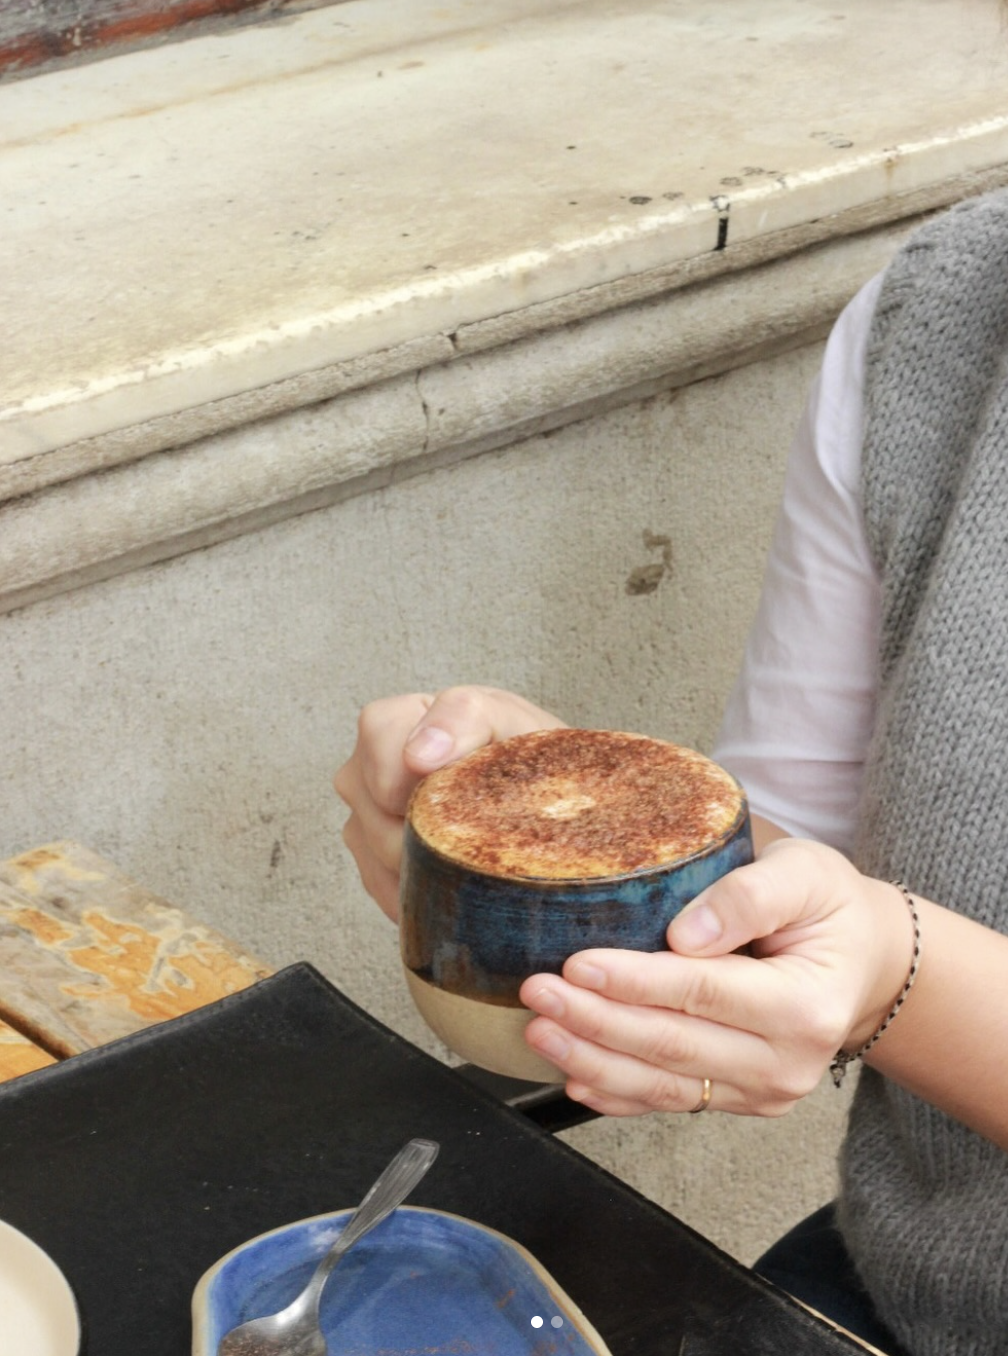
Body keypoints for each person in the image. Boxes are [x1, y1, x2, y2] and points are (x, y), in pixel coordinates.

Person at [334, 186, 1008, 1356]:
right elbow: (789, 873)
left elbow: (871, 949)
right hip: (907, 1289)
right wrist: (581, 822)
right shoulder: (943, 322)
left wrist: (897, 980)